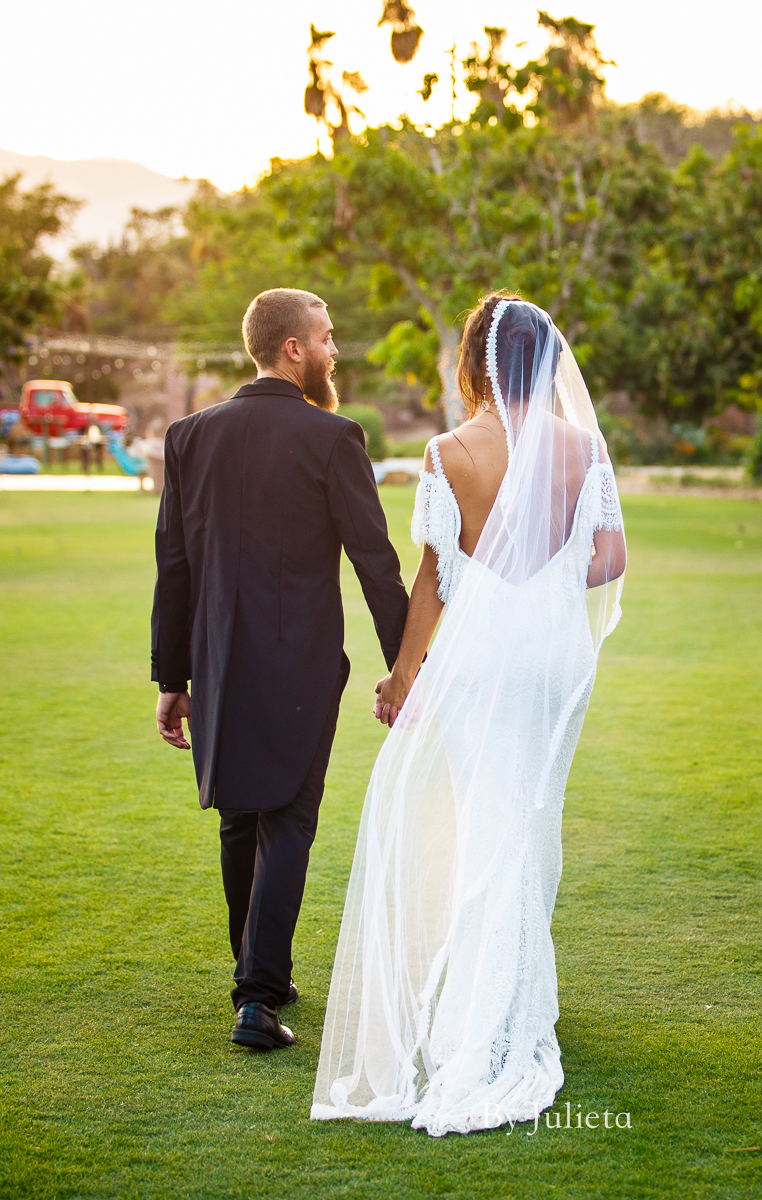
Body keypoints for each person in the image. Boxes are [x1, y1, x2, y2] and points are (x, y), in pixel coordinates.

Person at [311, 293, 628, 1136]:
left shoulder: (450, 451)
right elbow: (610, 559)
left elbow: (433, 576)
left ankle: (493, 1010)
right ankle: (520, 992)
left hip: (481, 654)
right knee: (532, 815)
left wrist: (403, 672)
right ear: (545, 358)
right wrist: (548, 587)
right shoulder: (584, 445)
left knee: (486, 816)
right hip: (554, 656)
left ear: (478, 358)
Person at [150, 288, 409, 1052]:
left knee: (240, 818)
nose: (334, 351)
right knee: (288, 821)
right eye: (327, 338)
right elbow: (376, 565)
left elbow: (174, 567)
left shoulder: (190, 435)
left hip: (220, 662)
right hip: (298, 668)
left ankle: (257, 968)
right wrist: (409, 664)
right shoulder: (334, 438)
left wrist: (173, 677)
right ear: (293, 349)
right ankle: (258, 1002)